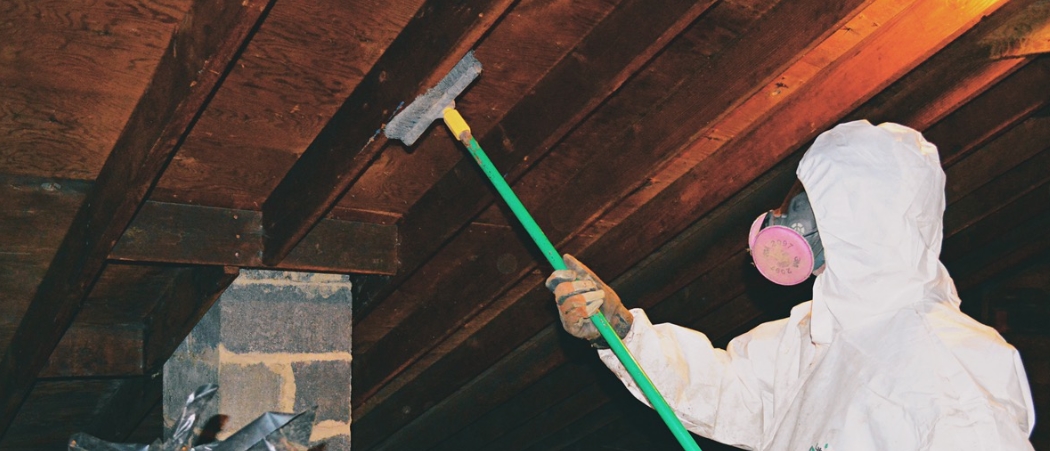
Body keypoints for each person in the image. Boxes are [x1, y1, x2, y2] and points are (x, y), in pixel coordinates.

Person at [546, 121, 1036, 450]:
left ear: (855, 219)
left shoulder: (946, 369)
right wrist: (621, 331)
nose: (785, 218)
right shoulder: (820, 333)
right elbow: (728, 391)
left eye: (807, 203)